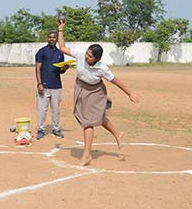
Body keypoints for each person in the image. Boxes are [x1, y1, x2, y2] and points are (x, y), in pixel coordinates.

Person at [56, 15, 139, 166]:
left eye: (90, 56)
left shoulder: (102, 68)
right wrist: (60, 29)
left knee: (88, 122)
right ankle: (117, 133)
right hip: (80, 88)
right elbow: (62, 48)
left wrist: (130, 93)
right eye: (87, 53)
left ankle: (87, 155)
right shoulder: (80, 55)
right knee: (95, 117)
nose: (86, 56)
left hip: (96, 92)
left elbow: (116, 81)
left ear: (96, 59)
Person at [35, 30, 69, 140]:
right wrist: (39, 84)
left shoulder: (60, 53)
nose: (51, 39)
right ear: (47, 38)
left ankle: (56, 129)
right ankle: (40, 129)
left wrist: (64, 69)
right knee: (42, 109)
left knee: (56, 110)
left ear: (57, 39)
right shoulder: (42, 51)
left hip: (57, 86)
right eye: (50, 37)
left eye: (54, 37)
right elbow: (38, 69)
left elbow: (60, 71)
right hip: (44, 85)